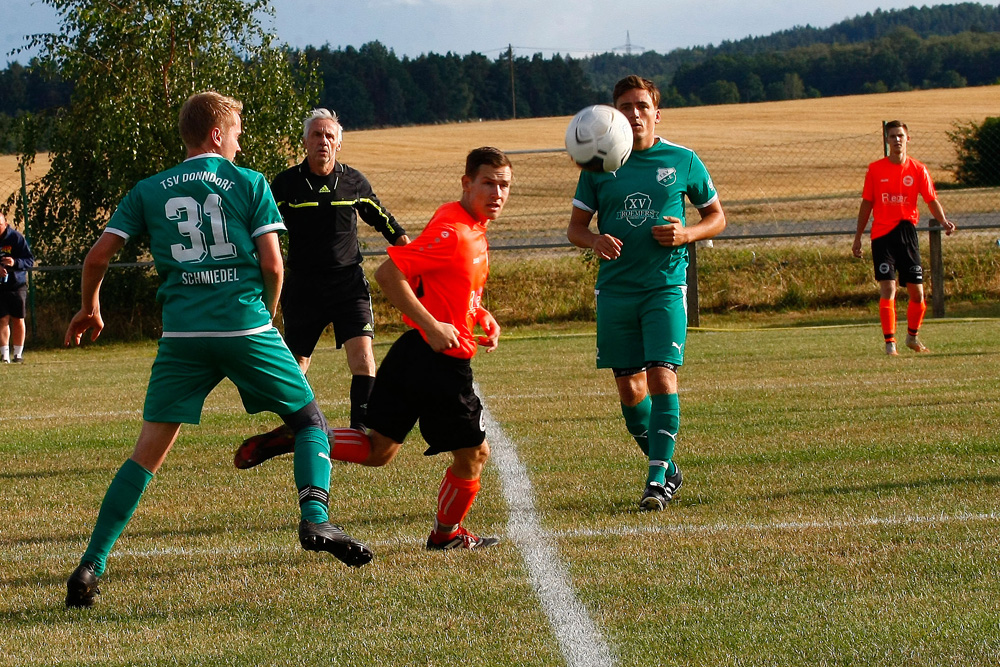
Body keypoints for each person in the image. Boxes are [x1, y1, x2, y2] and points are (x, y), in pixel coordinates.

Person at [63, 91, 372, 609]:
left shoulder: (148, 189)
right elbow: (274, 266)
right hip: (244, 326)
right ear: (215, 135)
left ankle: (91, 565)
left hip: (183, 337)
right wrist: (267, 313)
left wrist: (91, 307)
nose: (239, 140)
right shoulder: (249, 182)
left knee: (146, 453)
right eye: (236, 131)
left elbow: (97, 257)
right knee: (310, 421)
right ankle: (316, 517)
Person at [235, 146, 510, 550]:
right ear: (467, 183)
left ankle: (307, 438)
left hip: (411, 354)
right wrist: (433, 326)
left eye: (504, 185)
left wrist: (477, 313)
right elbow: (389, 274)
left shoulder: (464, 222)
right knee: (475, 456)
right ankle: (445, 535)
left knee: (379, 450)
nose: (497, 192)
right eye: (488, 183)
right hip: (441, 364)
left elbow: (437, 282)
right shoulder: (455, 231)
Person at [567, 75, 726, 512]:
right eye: (625, 106)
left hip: (665, 286)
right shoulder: (599, 164)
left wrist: (687, 233)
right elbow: (575, 229)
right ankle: (666, 463)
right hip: (616, 290)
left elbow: (716, 217)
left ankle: (656, 480)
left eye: (641, 106)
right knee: (630, 391)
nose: (634, 114)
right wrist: (595, 240)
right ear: (615, 113)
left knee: (661, 376)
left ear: (656, 113)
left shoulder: (683, 159)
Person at [231, 109, 409, 467]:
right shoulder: (285, 185)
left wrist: (412, 252)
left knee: (363, 358)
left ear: (339, 143)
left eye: (329, 136)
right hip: (304, 287)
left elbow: (383, 218)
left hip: (348, 285)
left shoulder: (354, 182)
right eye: (316, 135)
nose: (323, 142)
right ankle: (296, 428)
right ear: (305, 142)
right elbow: (258, 228)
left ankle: (360, 433)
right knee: (296, 365)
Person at [852, 120, 956, 355]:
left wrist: (943, 221)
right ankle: (890, 344)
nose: (897, 140)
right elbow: (866, 203)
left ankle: (912, 337)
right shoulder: (875, 169)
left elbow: (931, 199)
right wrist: (858, 237)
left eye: (900, 135)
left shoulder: (918, 169)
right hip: (882, 235)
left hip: (907, 234)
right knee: (888, 288)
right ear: (887, 141)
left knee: (917, 293)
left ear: (907, 139)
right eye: (892, 136)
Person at [0, 210, 35, 363]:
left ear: (5, 224)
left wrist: (15, 263)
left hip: (17, 285)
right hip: (0, 288)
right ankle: (4, 355)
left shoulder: (16, 238)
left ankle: (18, 354)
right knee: (2, 319)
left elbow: (29, 260)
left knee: (18, 318)